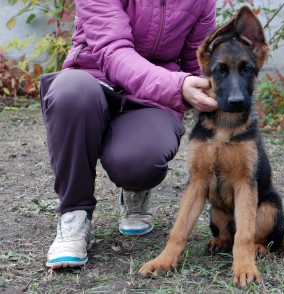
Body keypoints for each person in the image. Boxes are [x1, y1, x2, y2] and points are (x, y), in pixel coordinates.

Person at [39, 0, 218, 269]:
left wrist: (217, 94)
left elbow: (197, 60)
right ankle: (74, 214)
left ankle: (135, 189)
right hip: (92, 76)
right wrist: (177, 84)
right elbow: (112, 51)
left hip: (153, 94)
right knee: (70, 94)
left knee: (140, 161)